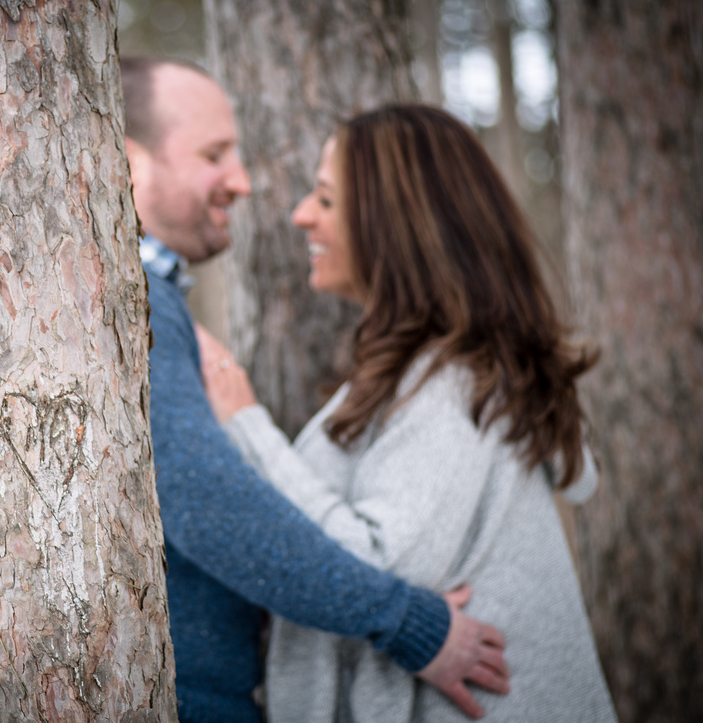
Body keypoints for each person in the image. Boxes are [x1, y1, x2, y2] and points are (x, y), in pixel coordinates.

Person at [119, 57, 509, 723]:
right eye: (215, 154)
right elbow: (204, 502)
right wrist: (403, 619)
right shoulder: (137, 300)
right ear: (129, 161)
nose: (242, 181)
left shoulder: (151, 301)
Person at [197, 104, 617, 721]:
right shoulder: (431, 374)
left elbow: (373, 572)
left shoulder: (456, 384)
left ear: (398, 223)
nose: (300, 215)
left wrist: (246, 424)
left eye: (326, 199)